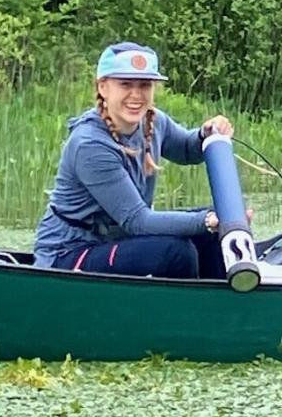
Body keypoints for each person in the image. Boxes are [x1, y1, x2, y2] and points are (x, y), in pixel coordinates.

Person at [32, 42, 245, 278]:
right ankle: (185, 311)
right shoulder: (89, 145)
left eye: (144, 85)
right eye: (125, 84)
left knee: (213, 231)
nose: (136, 95)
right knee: (177, 252)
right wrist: (207, 221)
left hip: (118, 239)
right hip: (69, 253)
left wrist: (205, 134)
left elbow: (186, 149)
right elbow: (137, 221)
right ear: (103, 87)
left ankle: (221, 305)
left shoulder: (153, 122)